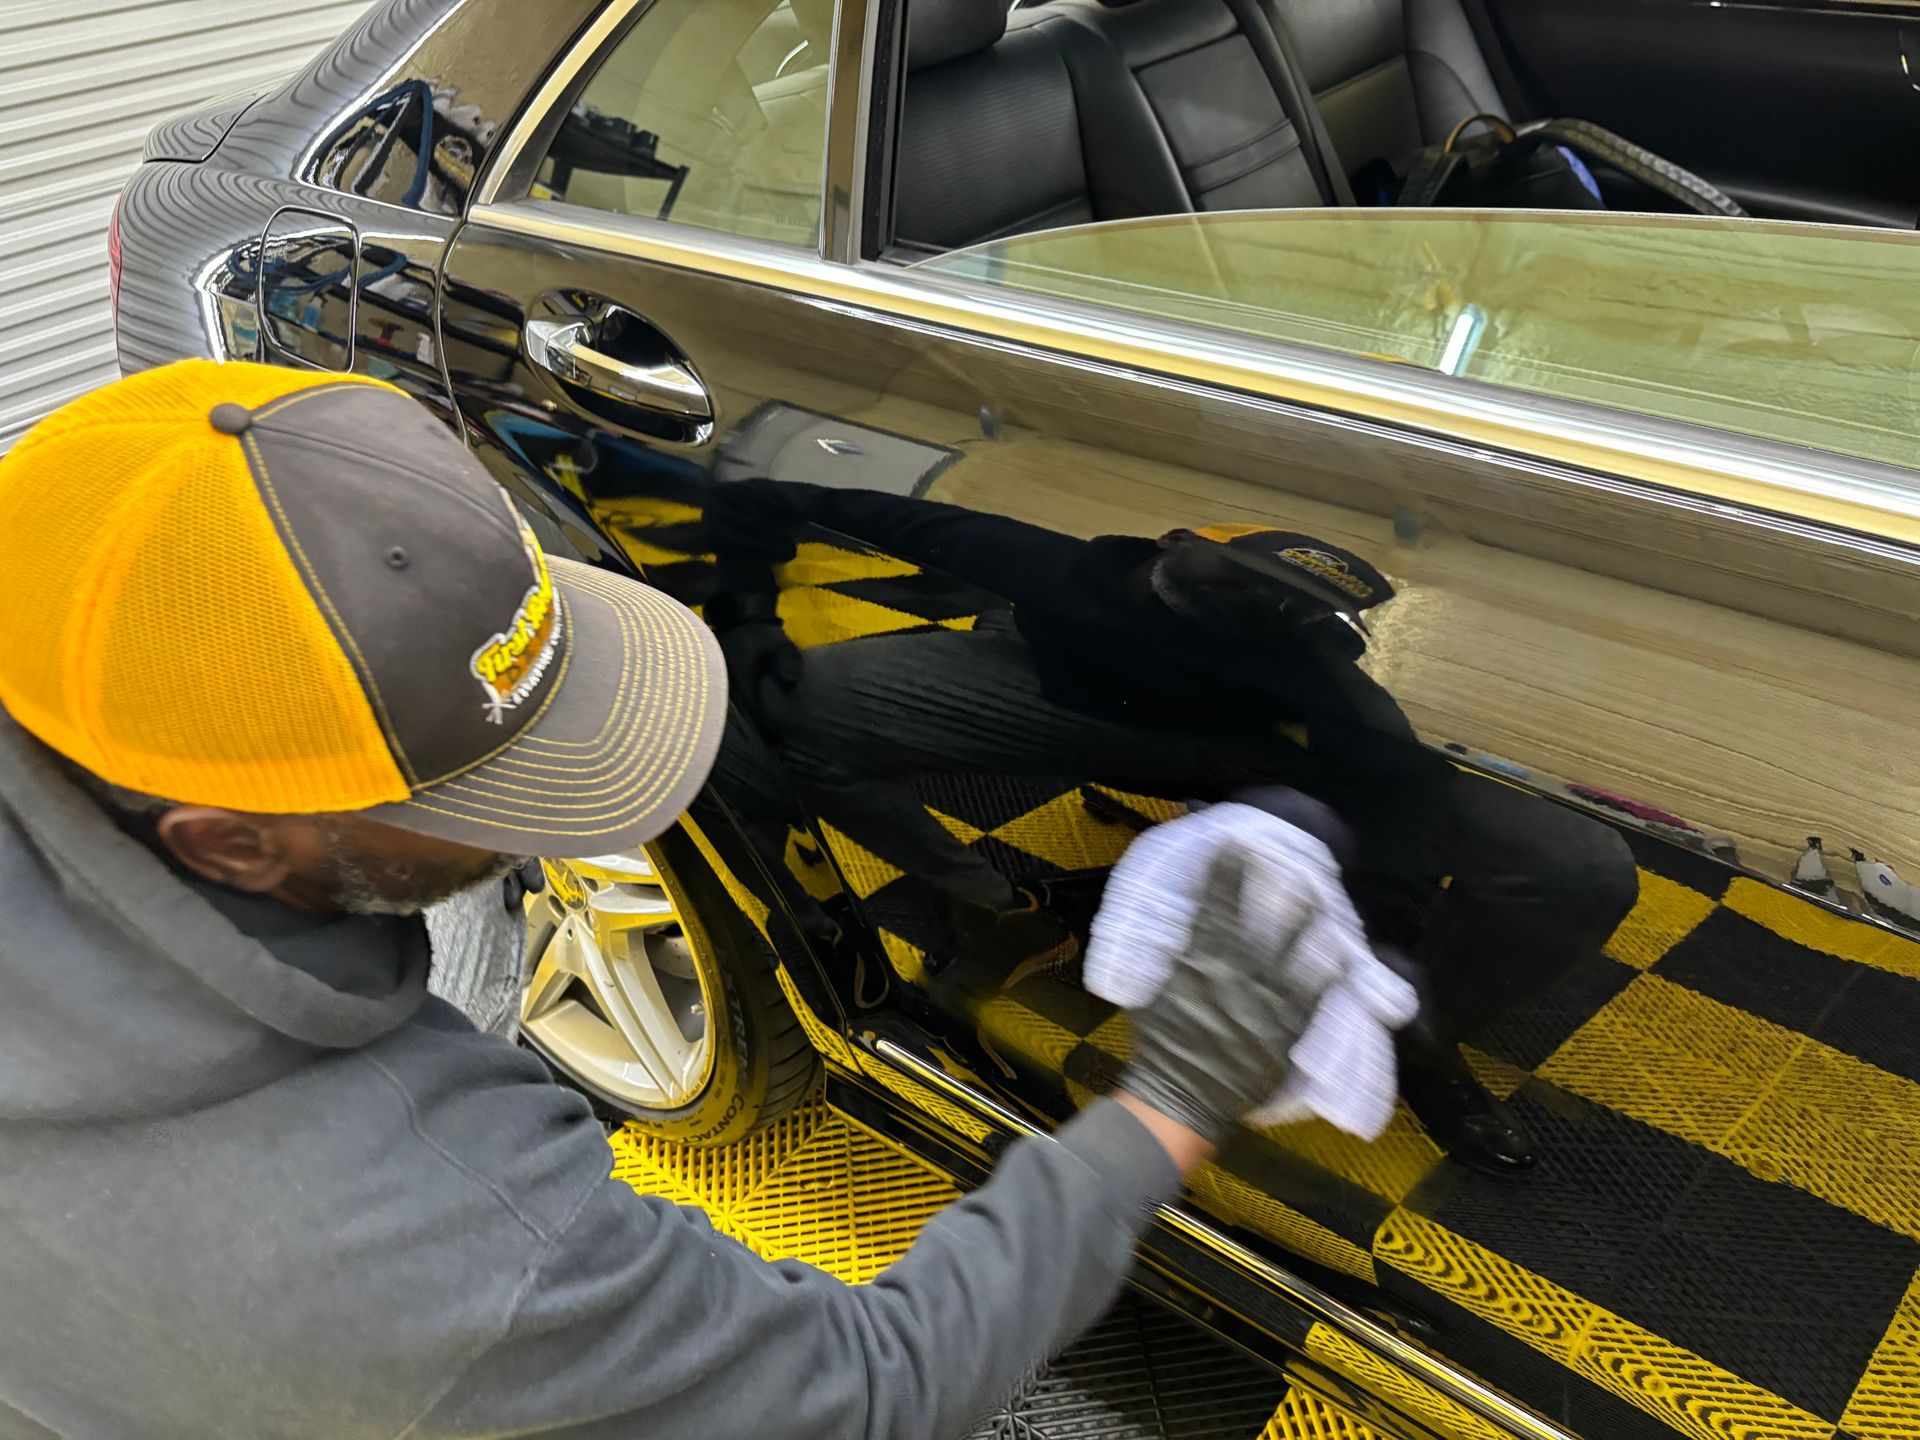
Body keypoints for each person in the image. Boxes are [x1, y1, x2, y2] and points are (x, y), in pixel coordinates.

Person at [0, 361, 1341, 1440]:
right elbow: (875, 1386)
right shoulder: (421, 1235)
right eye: (490, 801)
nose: (556, 846)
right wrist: (1173, 1099)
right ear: (233, 846)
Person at [704, 479, 1640, 1172]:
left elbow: (1410, 796)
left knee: (1536, 857)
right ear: (1167, 548)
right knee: (791, 715)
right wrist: (745, 616)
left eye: (1264, 603)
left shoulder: (1318, 687)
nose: (1236, 601)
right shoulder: (1057, 569)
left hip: (1238, 749)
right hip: (1054, 698)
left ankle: (1412, 1037)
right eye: (1222, 580)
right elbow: (761, 500)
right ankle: (1004, 905)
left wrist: (1379, 949)